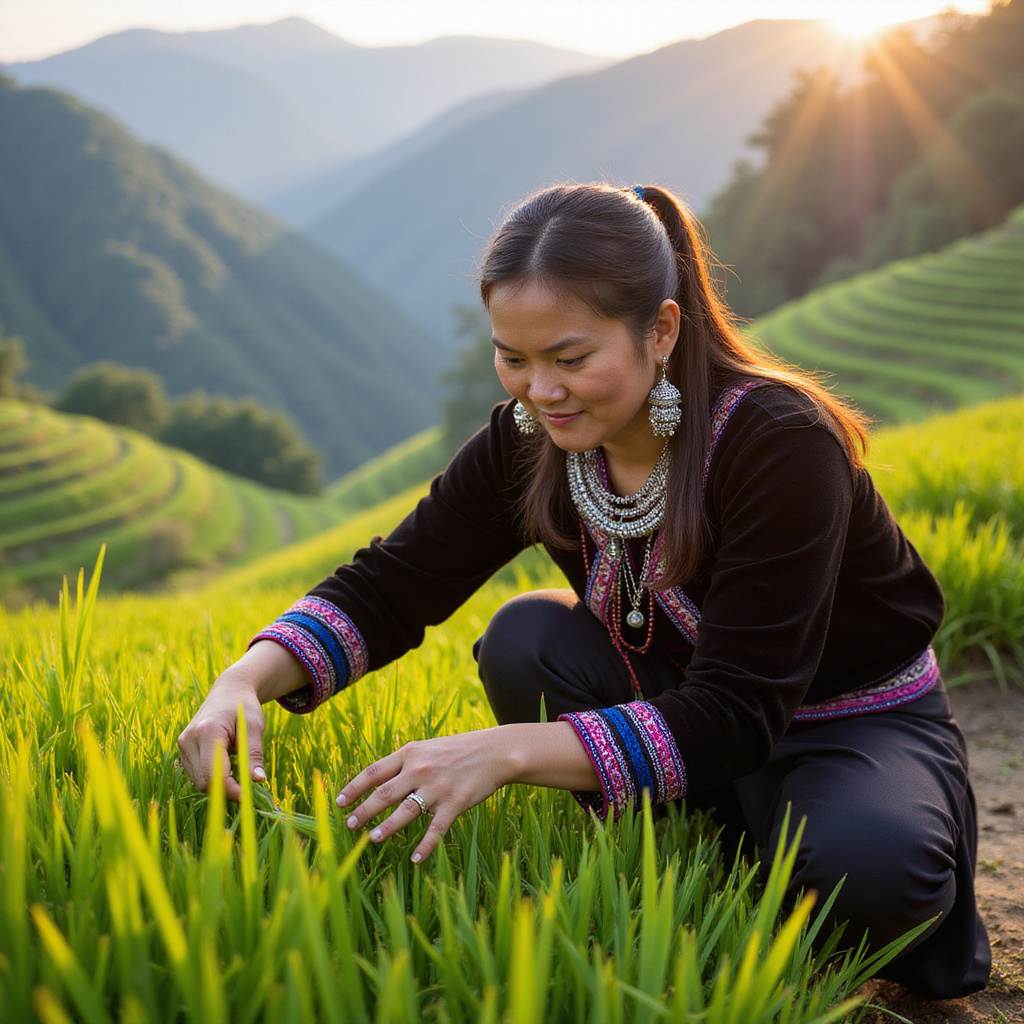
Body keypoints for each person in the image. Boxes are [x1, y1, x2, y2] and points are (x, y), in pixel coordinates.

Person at [177, 182, 990, 1000]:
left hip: (846, 719)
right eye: (514, 358)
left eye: (571, 359)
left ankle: (819, 837)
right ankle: (696, 847)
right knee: (526, 638)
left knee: (873, 874)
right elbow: (394, 581)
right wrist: (240, 682)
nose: (541, 390)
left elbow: (740, 707)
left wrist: (503, 752)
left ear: (661, 330)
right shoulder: (530, 437)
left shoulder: (779, 443)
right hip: (684, 705)